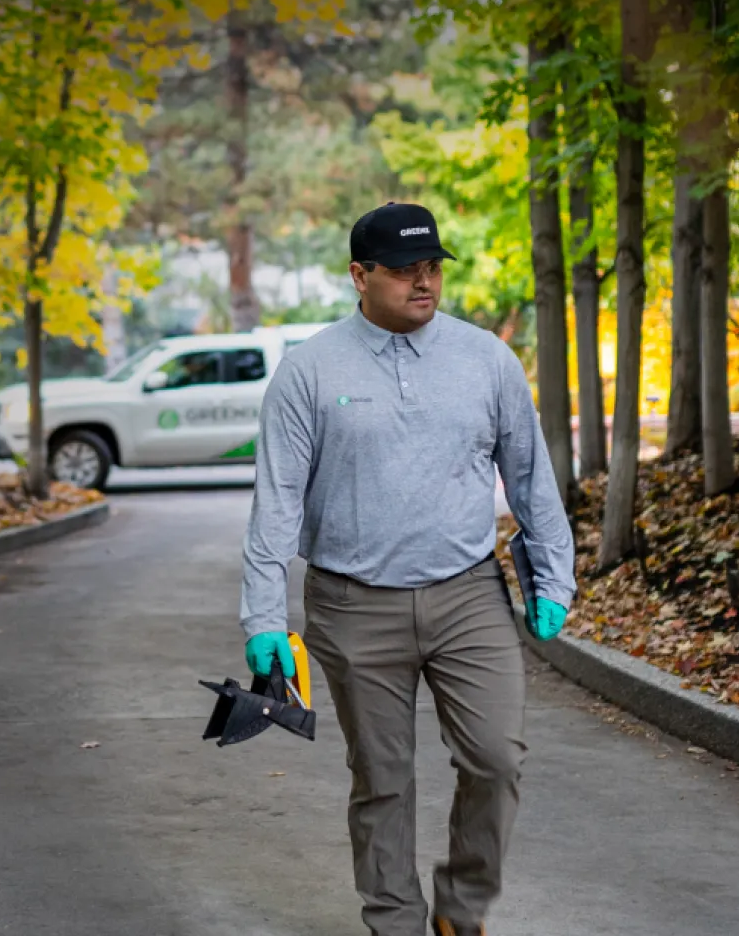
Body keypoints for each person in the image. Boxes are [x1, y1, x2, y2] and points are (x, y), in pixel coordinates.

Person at [240, 202, 575, 936]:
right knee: (383, 781)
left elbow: (530, 477)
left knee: (496, 760)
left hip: (468, 598)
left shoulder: (485, 358)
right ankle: (393, 921)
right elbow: (276, 503)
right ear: (360, 276)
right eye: (403, 271)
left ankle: (462, 907)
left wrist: (555, 575)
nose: (423, 283)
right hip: (353, 605)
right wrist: (264, 616)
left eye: (431, 267)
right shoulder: (309, 371)